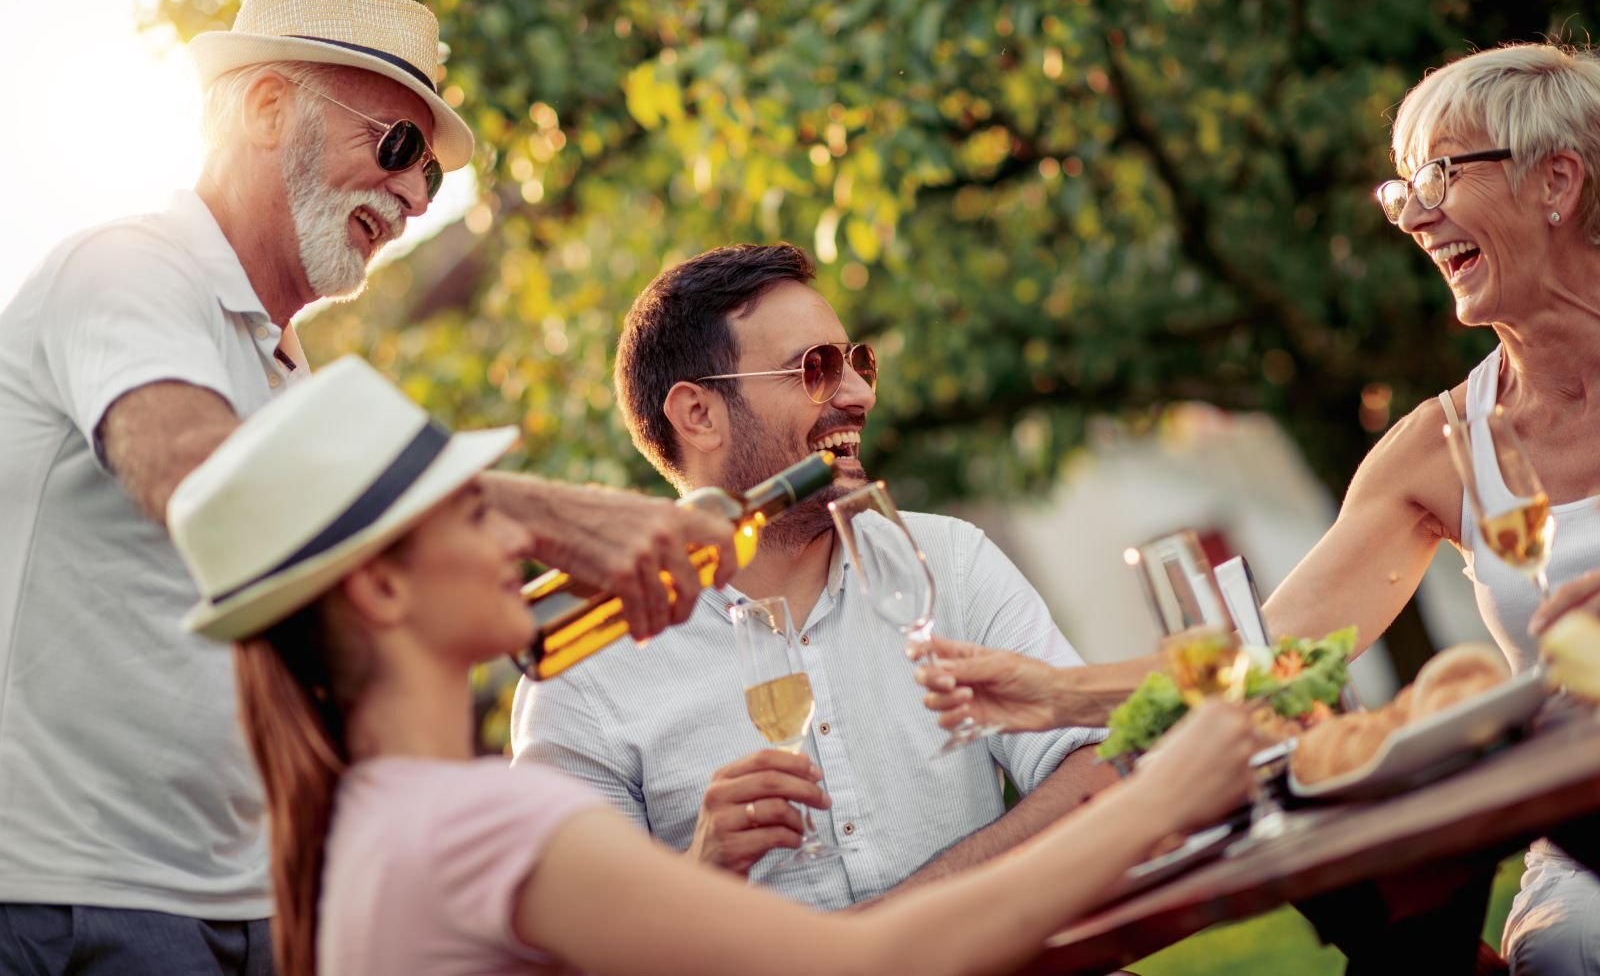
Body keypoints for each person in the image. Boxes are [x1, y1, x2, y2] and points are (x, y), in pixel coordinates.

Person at [0, 0, 732, 974]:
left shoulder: (290, 379)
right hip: (71, 896)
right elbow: (203, 485)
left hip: (246, 897)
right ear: (265, 106)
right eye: (396, 147)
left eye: (431, 177)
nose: (415, 198)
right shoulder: (127, 269)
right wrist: (556, 514)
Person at [167, 352, 1256, 976]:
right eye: (474, 513)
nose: (520, 538)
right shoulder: (471, 826)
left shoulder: (368, 826)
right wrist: (1159, 797)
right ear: (383, 589)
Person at [915, 42, 1600, 974]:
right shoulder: (1442, 447)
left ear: (1557, 179)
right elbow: (1274, 662)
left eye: (1439, 173)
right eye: (1401, 188)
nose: (1414, 215)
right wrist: (1053, 694)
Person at [511, 242, 1122, 908]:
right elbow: (585, 939)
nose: (859, 395)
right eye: (815, 369)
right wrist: (699, 877)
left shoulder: (947, 559)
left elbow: (1093, 765)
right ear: (698, 415)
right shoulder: (583, 675)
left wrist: (883, 936)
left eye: (858, 363)